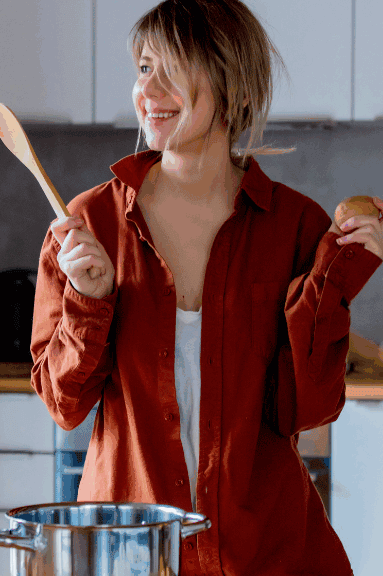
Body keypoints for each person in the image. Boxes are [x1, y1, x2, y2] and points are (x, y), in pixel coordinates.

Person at [30, 0, 383, 574]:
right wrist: (88, 302)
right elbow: (62, 405)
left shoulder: (295, 226)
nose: (150, 89)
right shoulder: (87, 224)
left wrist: (336, 282)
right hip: (132, 553)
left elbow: (309, 409)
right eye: (145, 69)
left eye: (173, 67)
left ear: (232, 84)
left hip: (267, 552)